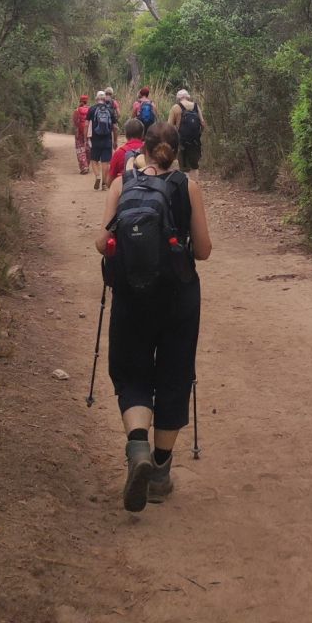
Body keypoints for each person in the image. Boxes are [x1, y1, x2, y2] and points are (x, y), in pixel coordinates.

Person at [96, 121, 212, 511]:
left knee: (133, 373)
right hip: (179, 298)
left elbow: (102, 242)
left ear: (142, 149)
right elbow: (204, 251)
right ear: (175, 153)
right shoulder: (187, 187)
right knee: (174, 376)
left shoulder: (121, 185)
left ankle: (138, 446)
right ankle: (160, 472)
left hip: (131, 296)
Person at [169, 87, 204, 172]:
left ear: (178, 98)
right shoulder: (196, 106)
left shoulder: (175, 107)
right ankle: (195, 180)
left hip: (182, 141)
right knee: (195, 167)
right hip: (195, 141)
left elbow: (169, 126)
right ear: (188, 97)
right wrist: (199, 134)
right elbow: (203, 123)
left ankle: (186, 179)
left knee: (184, 167)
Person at [88, 91, 117, 190]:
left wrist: (86, 138)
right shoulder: (110, 110)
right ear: (105, 99)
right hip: (107, 140)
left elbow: (86, 124)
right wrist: (115, 141)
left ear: (96, 99)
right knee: (106, 162)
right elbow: (115, 127)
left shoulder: (92, 109)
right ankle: (104, 184)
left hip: (95, 139)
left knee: (94, 160)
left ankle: (97, 176)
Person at [108, 118, 146, 184]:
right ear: (142, 134)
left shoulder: (119, 153)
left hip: (126, 187)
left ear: (126, 134)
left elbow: (109, 182)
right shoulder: (148, 150)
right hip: (146, 186)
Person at [71, 93, 91, 175]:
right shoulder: (90, 110)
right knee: (88, 149)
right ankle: (87, 165)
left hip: (79, 132)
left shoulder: (77, 110)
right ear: (87, 101)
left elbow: (75, 122)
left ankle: (84, 167)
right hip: (89, 132)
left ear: (80, 101)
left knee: (80, 150)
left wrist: (76, 130)